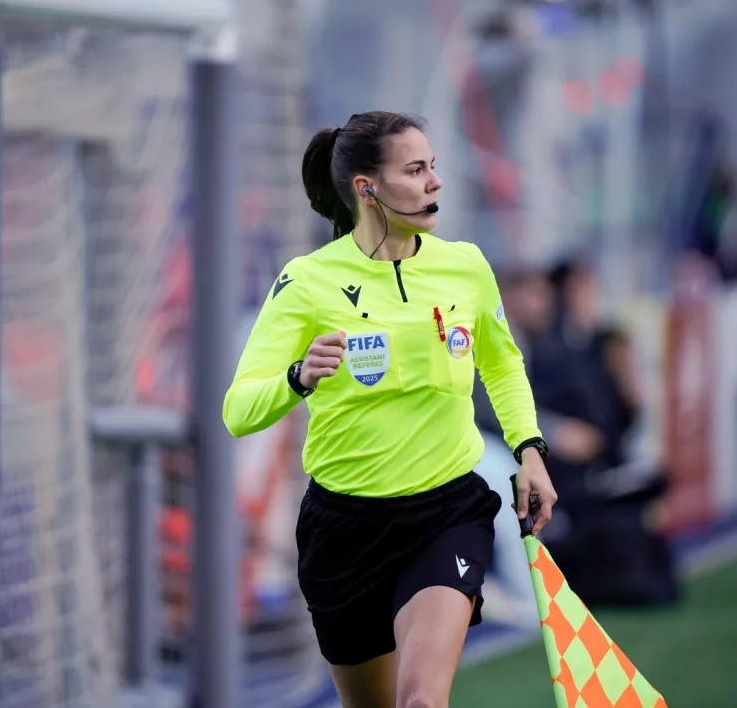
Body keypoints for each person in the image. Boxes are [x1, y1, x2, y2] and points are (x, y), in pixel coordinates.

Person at [221, 111, 557, 708]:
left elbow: (502, 364)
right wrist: (297, 378)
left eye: (434, 167)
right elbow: (238, 411)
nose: (435, 182)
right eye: (416, 169)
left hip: (446, 512)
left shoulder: (467, 265)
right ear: (366, 187)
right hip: (342, 531)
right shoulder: (305, 282)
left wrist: (530, 448)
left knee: (422, 702)